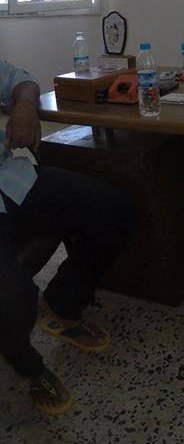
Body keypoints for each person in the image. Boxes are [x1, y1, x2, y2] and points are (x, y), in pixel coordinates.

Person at [0, 60, 136, 415]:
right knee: (12, 300)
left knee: (113, 209)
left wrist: (25, 103)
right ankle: (29, 369)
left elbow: (19, 79)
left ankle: (62, 303)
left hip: (12, 181)